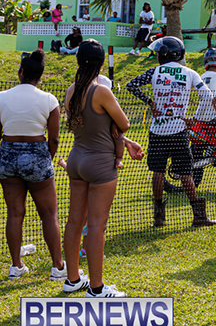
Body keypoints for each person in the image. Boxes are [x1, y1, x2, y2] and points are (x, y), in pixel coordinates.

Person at [63, 40, 142, 297]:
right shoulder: (101, 91)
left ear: (77, 61)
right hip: (100, 163)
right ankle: (96, 289)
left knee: (75, 222)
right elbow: (125, 123)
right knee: (97, 225)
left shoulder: (70, 90)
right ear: (100, 64)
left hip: (76, 159)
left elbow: (78, 123)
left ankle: (73, 279)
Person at [126, 37, 216, 227]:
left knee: (158, 171)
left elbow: (131, 85)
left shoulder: (155, 71)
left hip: (158, 130)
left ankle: (159, 216)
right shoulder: (190, 73)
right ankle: (198, 215)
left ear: (165, 53)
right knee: (185, 173)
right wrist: (195, 118)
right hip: (179, 130)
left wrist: (150, 103)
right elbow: (207, 95)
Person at [0, 51, 64, 281]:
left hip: (7, 154)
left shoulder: (1, 97)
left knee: (14, 214)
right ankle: (58, 267)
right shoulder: (48, 99)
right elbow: (54, 139)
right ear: (40, 75)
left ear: (21, 72)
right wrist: (47, 158)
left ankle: (16, 266)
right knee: (48, 215)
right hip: (37, 154)